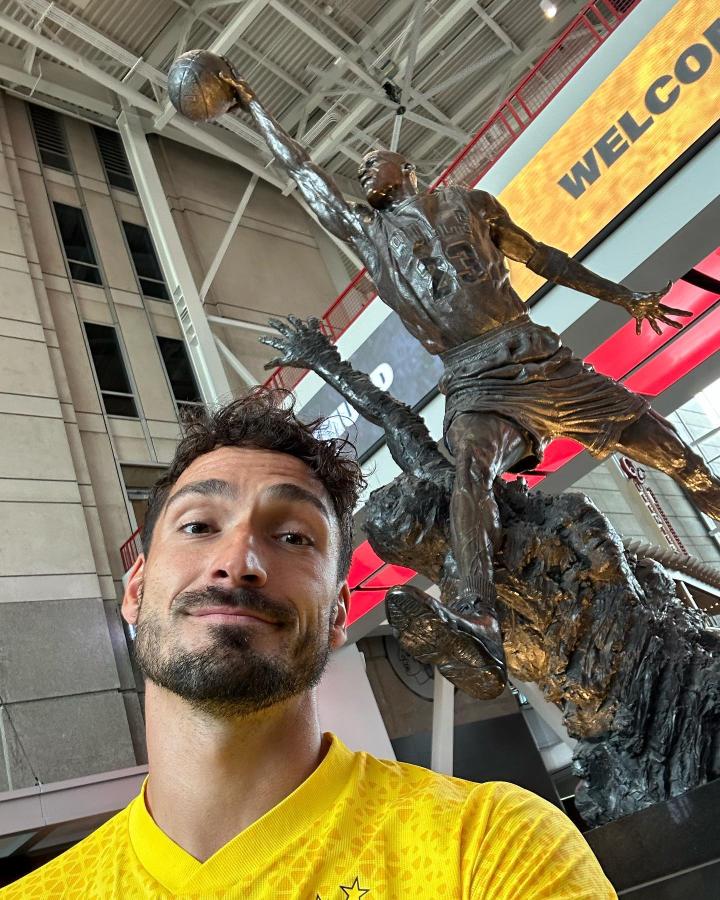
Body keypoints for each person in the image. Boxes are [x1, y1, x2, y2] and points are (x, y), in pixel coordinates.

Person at [213, 69, 720, 697]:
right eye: (360, 169)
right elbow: (303, 171)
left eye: (375, 159)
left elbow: (544, 259)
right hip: (475, 377)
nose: (364, 169)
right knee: (470, 472)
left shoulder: (472, 204)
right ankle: (475, 614)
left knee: (673, 453)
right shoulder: (370, 236)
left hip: (538, 355)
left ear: (409, 168)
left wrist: (623, 297)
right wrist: (252, 105)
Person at [1, 392, 616, 898]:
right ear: (136, 590)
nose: (239, 562)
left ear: (338, 613)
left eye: (294, 537)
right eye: (198, 525)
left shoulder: (493, 848)